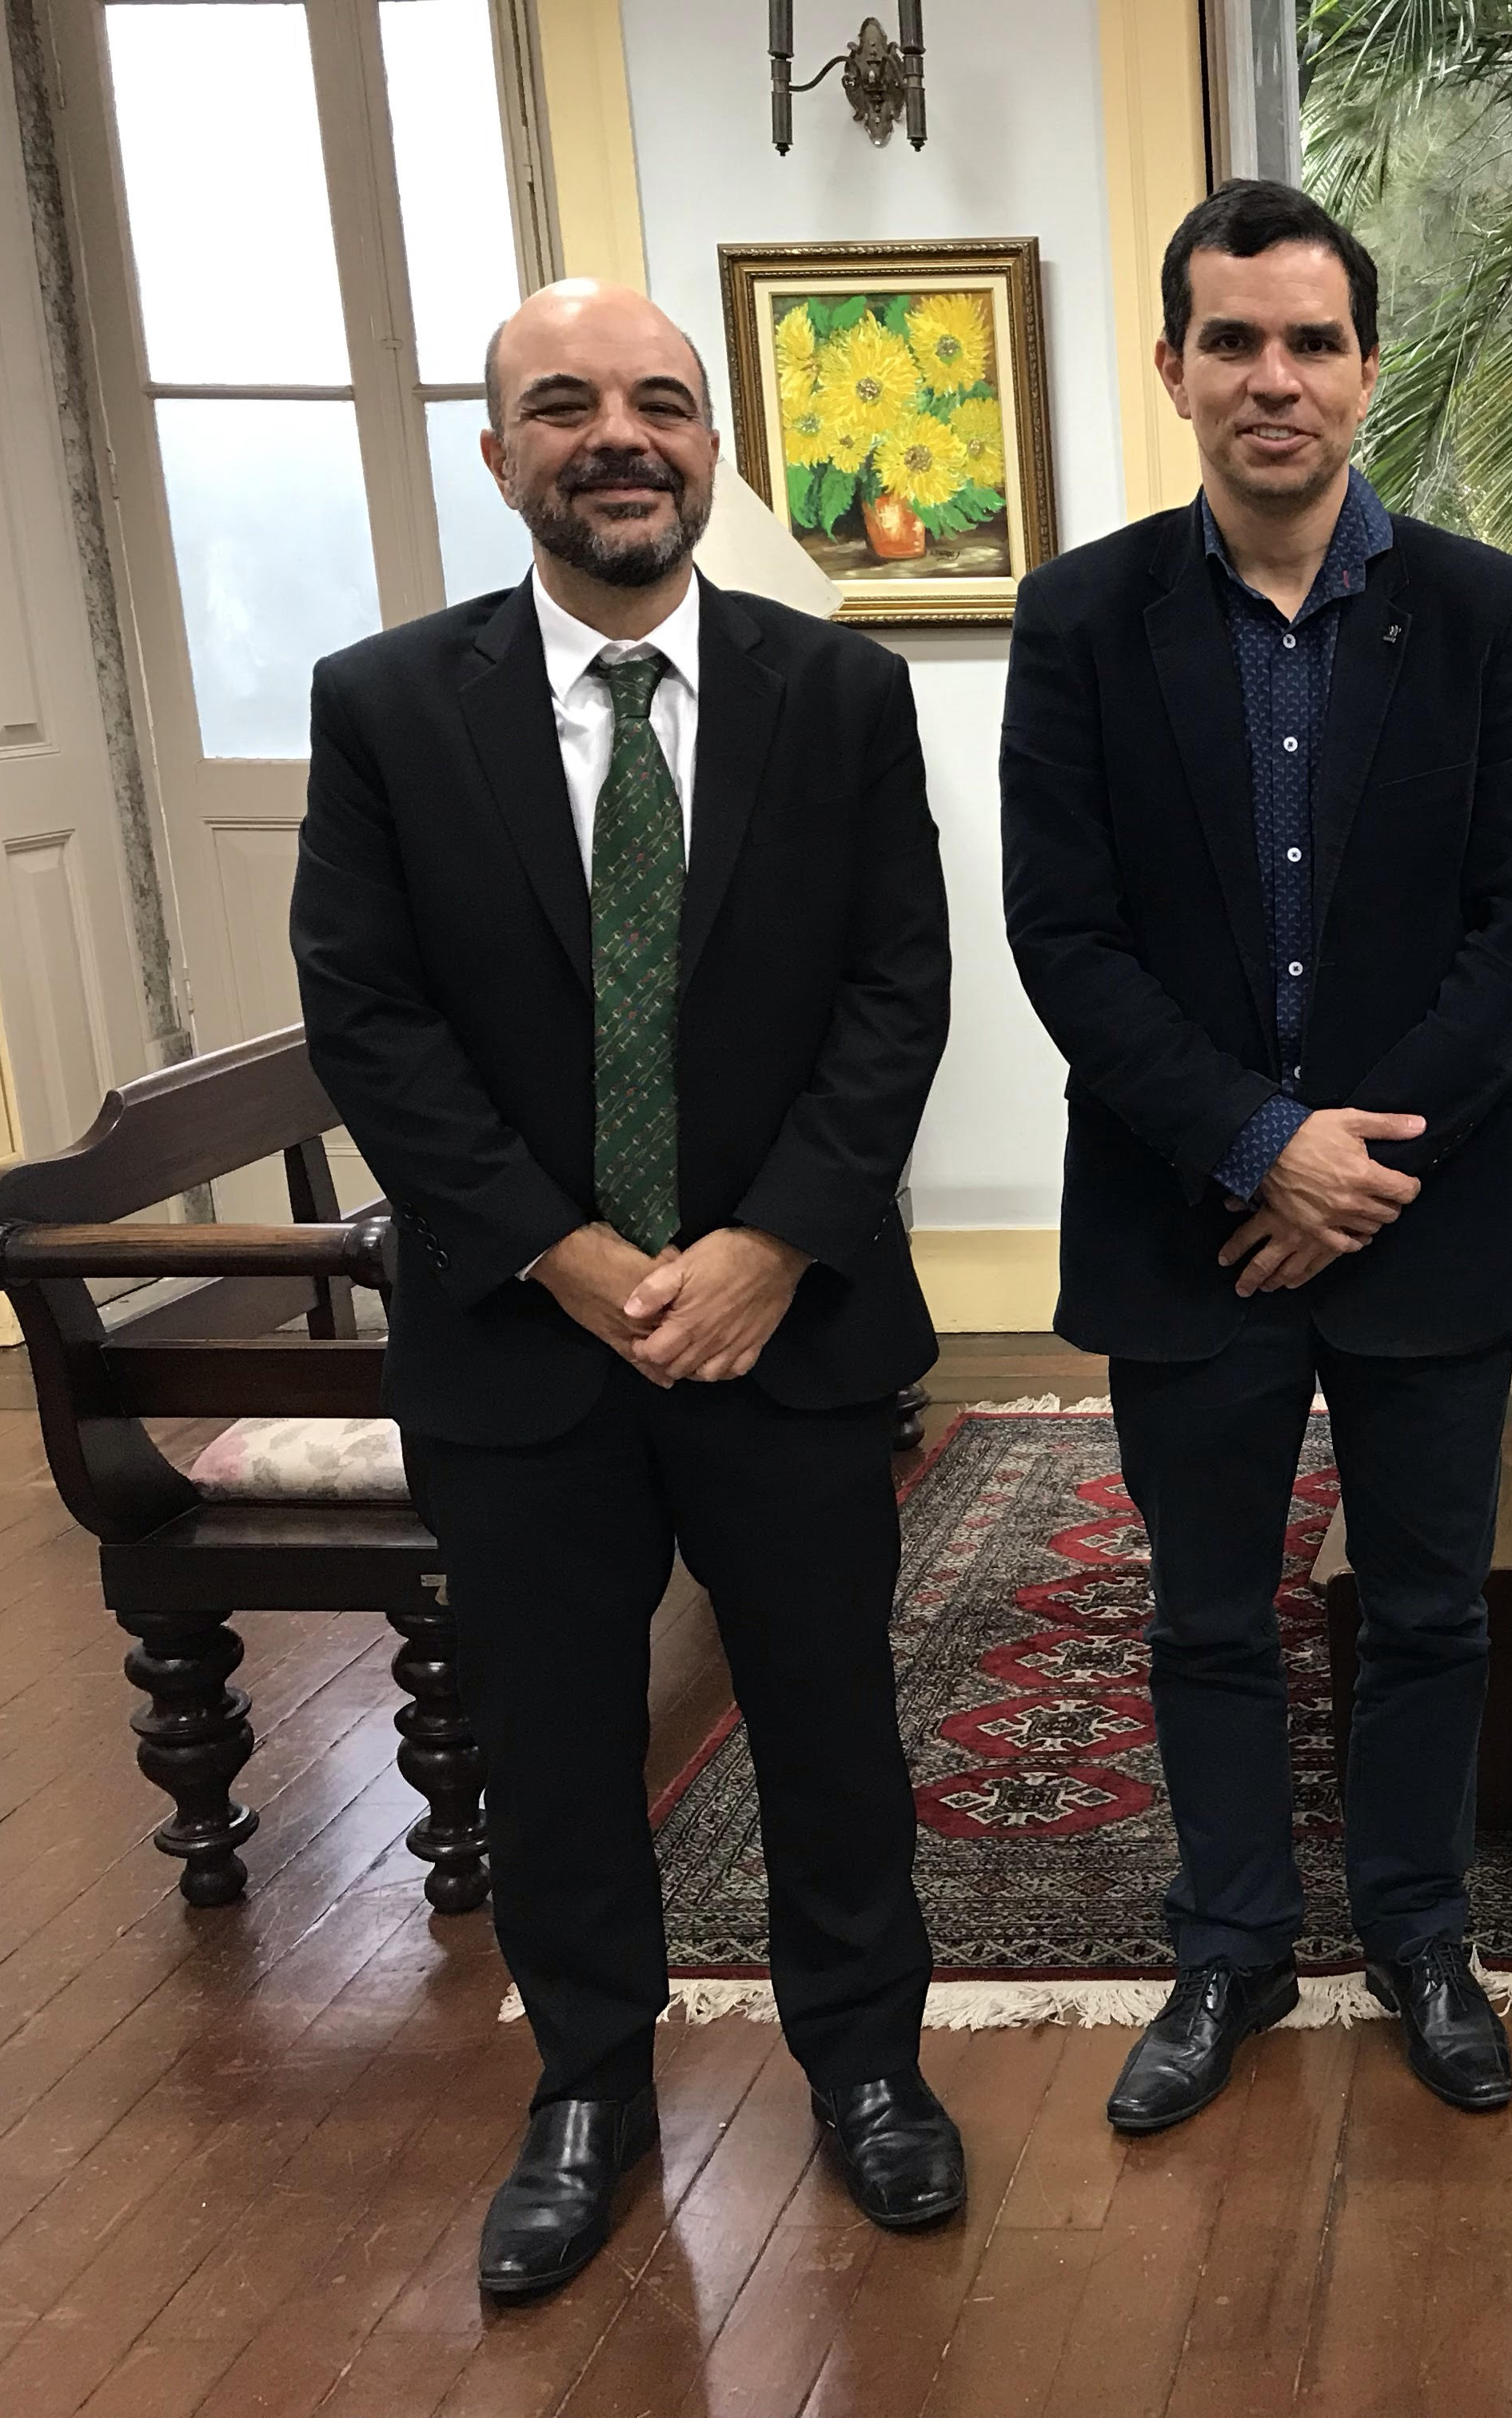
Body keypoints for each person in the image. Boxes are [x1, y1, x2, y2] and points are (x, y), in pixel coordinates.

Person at [290, 281, 964, 2297]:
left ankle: (868, 2068)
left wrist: (766, 1248)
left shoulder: (833, 695)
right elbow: (373, 1018)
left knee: (833, 1719)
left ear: (711, 448)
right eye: (564, 406)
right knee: (557, 1732)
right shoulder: (388, 704)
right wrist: (574, 1259)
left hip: (795, 1327)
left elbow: (894, 991)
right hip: (523, 1339)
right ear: (496, 457)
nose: (620, 436)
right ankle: (587, 2087)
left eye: (662, 404)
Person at [1000, 181, 1512, 2134]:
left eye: (1312, 341)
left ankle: (1422, 1934)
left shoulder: (1490, 612)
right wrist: (1257, 1148)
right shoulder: (1082, 618)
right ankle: (1231, 1948)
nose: (1275, 379)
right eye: (1233, 341)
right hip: (1185, 1224)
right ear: (1170, 367)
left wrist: (1349, 1163)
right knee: (1205, 1611)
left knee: (1431, 1608)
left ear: (1366, 368)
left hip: (1421, 1219)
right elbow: (1061, 931)